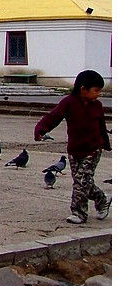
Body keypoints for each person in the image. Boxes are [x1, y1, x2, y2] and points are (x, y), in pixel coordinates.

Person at [34, 69, 111, 225]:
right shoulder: (68, 103)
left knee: (81, 181)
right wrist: (41, 130)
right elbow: (53, 117)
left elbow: (101, 126)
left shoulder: (97, 106)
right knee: (83, 182)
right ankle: (102, 199)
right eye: (96, 90)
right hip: (75, 150)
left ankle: (79, 213)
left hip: (93, 149)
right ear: (83, 89)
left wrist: (106, 144)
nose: (98, 94)